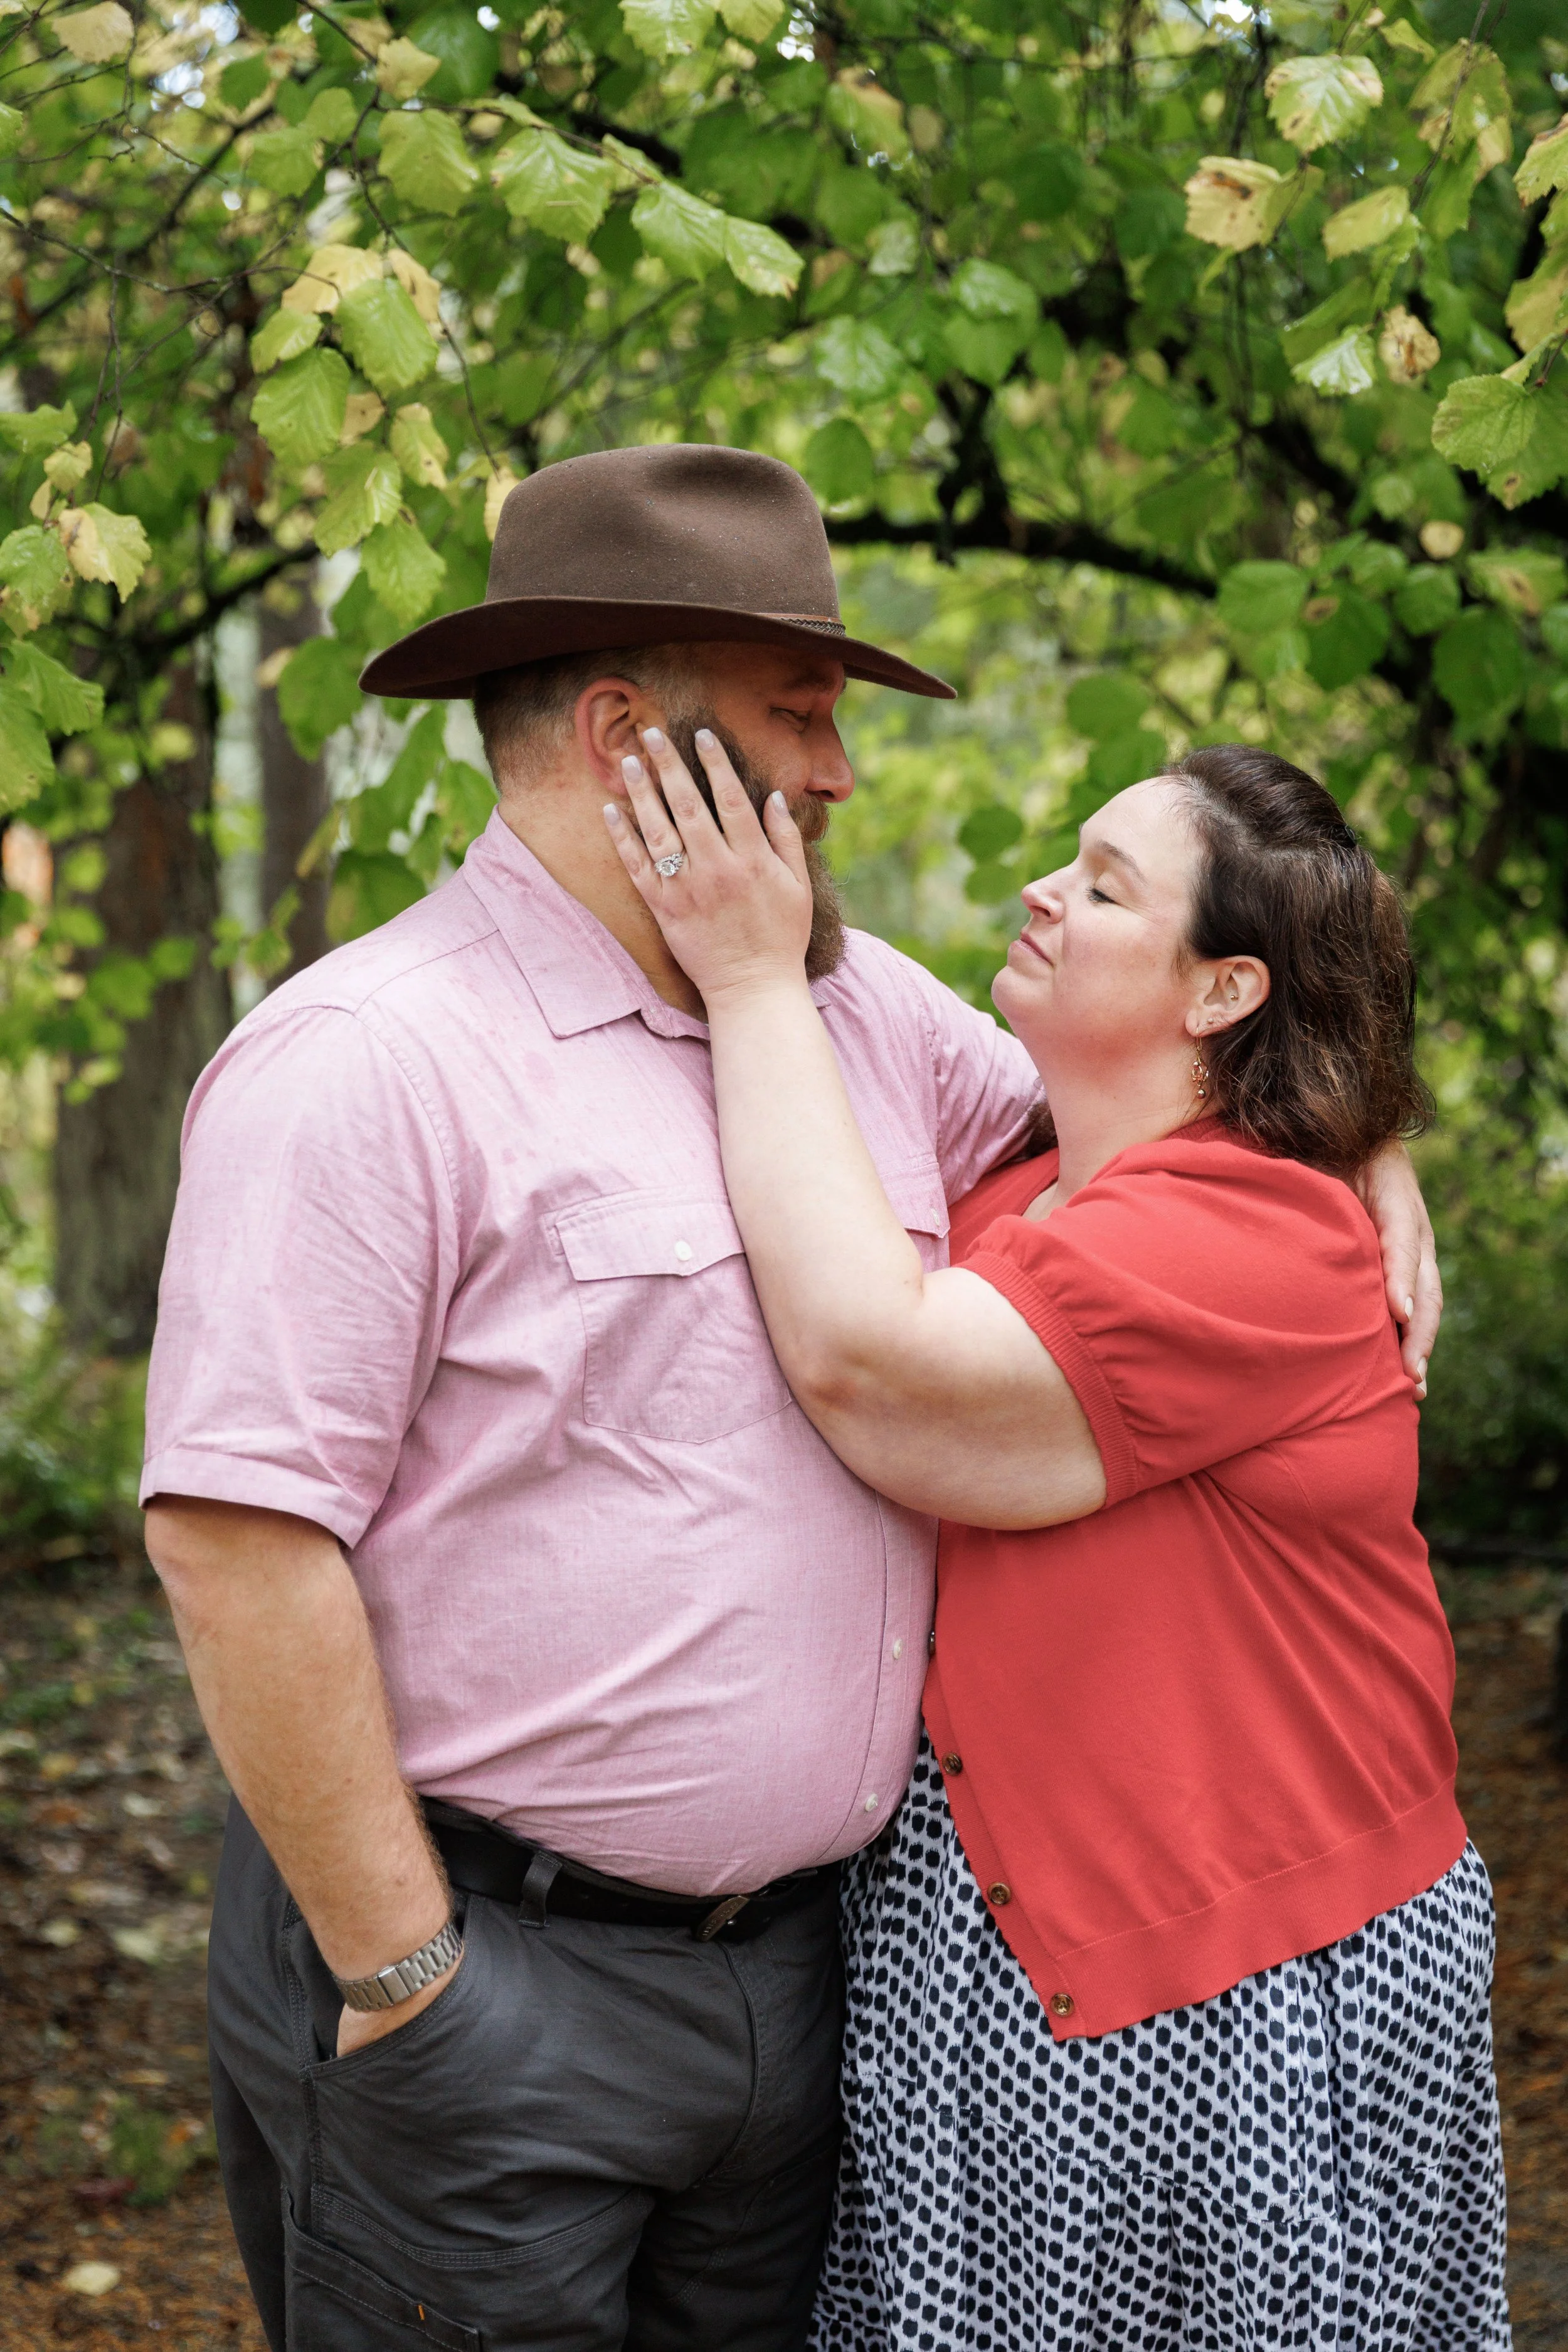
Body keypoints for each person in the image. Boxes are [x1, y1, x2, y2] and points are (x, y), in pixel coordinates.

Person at [141, 445, 1441, 2352]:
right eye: (798, 713)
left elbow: (1172, 1121)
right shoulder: (366, 1062)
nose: (835, 769)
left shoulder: (857, 1016)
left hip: (810, 2003)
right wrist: (407, 1970)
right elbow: (237, 1540)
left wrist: (1372, 1139)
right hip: (491, 1979)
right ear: (621, 735)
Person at [605, 729, 1506, 2350]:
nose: (1040, 889)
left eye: (1102, 885)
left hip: (1235, 1975)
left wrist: (749, 982)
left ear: (1223, 991)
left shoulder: (1263, 1230)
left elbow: (875, 1370)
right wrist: (1377, 1129)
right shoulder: (1032, 1182)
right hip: (1004, 1945)